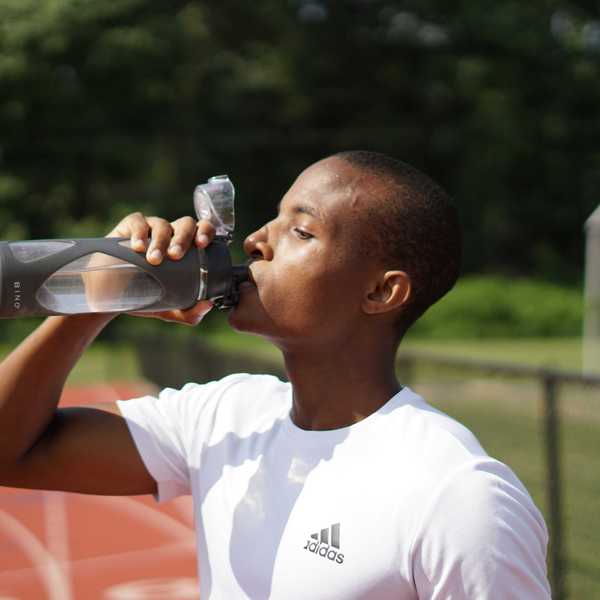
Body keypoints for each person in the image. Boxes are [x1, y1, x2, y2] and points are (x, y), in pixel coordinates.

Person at [0, 151, 551, 599]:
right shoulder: (227, 416)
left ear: (381, 292)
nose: (255, 241)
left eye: (302, 232)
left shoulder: (459, 495)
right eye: (273, 219)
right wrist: (103, 290)